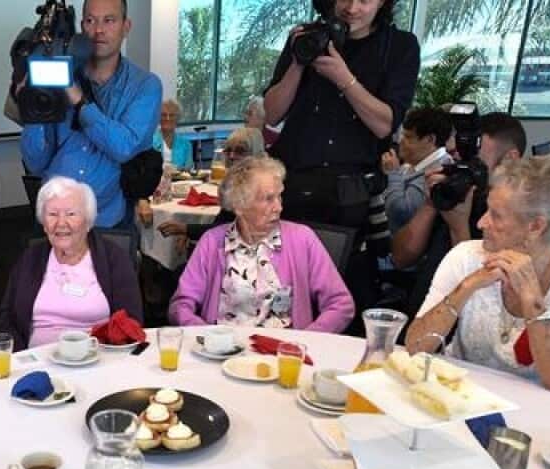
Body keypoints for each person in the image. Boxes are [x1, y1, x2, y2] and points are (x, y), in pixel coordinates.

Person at [263, 0, 420, 322]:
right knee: (279, 290)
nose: (352, 8)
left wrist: (344, 78)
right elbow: (273, 113)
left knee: (339, 298)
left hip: (349, 197)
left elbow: (384, 124)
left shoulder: (399, 46)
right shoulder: (305, 37)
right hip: (292, 185)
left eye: (365, 0)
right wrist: (298, 62)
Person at [407, 156, 550, 397]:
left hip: (544, 409)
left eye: (495, 215)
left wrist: (533, 302)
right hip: (461, 397)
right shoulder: (466, 256)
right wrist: (468, 286)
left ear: (536, 226)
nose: (481, 223)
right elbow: (415, 346)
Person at [19, 0, 163, 231]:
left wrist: (78, 100)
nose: (98, 30)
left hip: (108, 222)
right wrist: (34, 101)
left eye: (109, 20)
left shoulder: (145, 85)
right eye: (90, 20)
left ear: (126, 27)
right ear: (81, 26)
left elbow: (124, 147)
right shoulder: (56, 76)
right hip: (55, 221)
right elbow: (35, 163)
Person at [169, 157, 355, 332]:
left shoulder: (302, 239)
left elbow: (340, 304)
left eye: (279, 196)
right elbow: (180, 305)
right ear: (239, 206)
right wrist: (206, 336)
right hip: (224, 349)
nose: (279, 207)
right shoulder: (212, 242)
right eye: (268, 199)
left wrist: (306, 340)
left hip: (284, 350)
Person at [388, 113, 527, 316]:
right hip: (422, 312)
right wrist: (431, 203)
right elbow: (401, 258)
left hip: (464, 324)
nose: (464, 166)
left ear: (510, 159)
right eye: (458, 156)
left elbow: (483, 297)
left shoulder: (520, 216)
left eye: (474, 158)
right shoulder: (456, 190)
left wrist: (458, 227)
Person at [0, 176, 142, 348]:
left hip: (96, 357)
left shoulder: (114, 258)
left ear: (88, 221)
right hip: (37, 358)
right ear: (43, 223)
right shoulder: (30, 258)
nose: (61, 223)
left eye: (71, 214)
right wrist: (23, 356)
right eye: (52, 214)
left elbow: (131, 321)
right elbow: (7, 317)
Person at [380, 107, 451, 233]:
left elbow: (401, 212)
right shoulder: (413, 164)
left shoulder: (438, 171)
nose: (401, 141)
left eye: (408, 137)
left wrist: (393, 173)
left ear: (430, 139)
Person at [156, 98, 190, 171]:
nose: (167, 118)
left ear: (177, 118)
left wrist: (175, 169)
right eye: (164, 115)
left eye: (171, 115)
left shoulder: (186, 144)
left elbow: (189, 169)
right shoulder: (149, 142)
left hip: (179, 178)